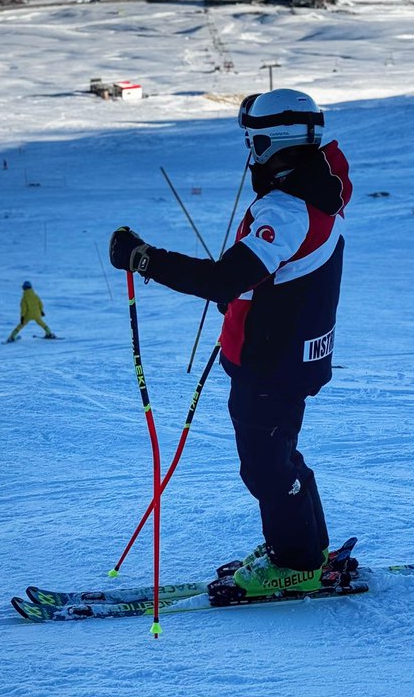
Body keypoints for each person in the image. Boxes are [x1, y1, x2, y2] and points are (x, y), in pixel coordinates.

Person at [109, 88, 352, 597]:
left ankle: (297, 562)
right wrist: (245, 297)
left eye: (254, 142)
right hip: (287, 353)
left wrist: (143, 258)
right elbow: (273, 278)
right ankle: (307, 548)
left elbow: (225, 279)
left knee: (266, 466)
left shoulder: (287, 211)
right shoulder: (314, 194)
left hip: (273, 361)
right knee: (280, 456)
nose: (251, 155)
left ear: (275, 142)